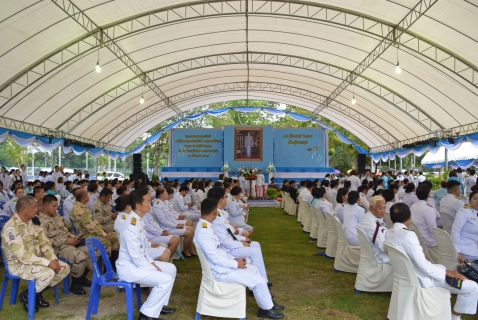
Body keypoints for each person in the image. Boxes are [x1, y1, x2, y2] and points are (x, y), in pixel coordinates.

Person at [194, 198, 284, 319]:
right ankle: (266, 309)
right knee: (259, 281)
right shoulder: (204, 231)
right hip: (218, 272)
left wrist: (234, 260)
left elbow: (218, 251)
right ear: (214, 212)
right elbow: (215, 258)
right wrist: (235, 264)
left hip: (221, 266)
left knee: (254, 270)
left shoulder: (205, 226)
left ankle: (269, 304)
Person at [385, 203, 478, 320]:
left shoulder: (389, 233)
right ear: (409, 216)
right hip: (422, 279)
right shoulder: (408, 235)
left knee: (440, 267)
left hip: (409, 276)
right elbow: (423, 266)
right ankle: (455, 316)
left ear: (391, 218)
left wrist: (442, 270)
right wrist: (446, 273)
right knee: (473, 287)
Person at [1, 196, 70, 313]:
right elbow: (22, 256)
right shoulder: (11, 228)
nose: (37, 209)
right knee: (48, 273)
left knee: (63, 268)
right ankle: (30, 298)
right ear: (23, 209)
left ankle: (29, 294)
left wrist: (52, 259)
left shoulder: (34, 221)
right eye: (33, 207)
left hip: (37, 261)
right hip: (18, 264)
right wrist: (47, 263)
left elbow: (44, 243)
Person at [116, 188, 177, 320]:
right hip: (129, 267)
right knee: (164, 278)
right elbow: (136, 257)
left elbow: (143, 250)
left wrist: (152, 263)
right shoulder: (131, 225)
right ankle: (146, 315)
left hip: (138, 263)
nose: (150, 204)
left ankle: (157, 306)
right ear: (138, 205)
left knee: (171, 269)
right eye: (148, 201)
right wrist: (153, 267)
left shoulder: (138, 219)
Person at [39, 195, 92, 295]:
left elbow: (65, 231)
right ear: (45, 206)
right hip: (55, 249)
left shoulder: (57, 217)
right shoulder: (40, 221)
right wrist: (66, 241)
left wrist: (74, 238)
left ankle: (81, 277)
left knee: (93, 251)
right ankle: (75, 284)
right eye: (53, 206)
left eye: (56, 206)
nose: (56, 209)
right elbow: (45, 242)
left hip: (68, 244)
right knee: (80, 256)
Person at [114, 195, 171, 262]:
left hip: (141, 245)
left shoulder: (129, 217)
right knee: (165, 256)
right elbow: (132, 241)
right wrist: (149, 244)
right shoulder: (123, 220)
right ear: (127, 207)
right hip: (135, 250)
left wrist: (149, 243)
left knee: (168, 251)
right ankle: (157, 269)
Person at [69, 189, 119, 266]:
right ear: (84, 197)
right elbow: (91, 226)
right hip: (85, 235)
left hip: (91, 232)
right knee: (106, 240)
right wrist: (104, 234)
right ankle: (103, 266)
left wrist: (102, 228)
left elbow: (94, 221)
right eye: (87, 195)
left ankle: (113, 264)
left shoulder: (82, 207)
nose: (88, 196)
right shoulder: (79, 210)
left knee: (116, 237)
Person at [152, 188, 197, 258]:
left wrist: (177, 224)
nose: (167, 194)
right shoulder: (157, 205)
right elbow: (163, 221)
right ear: (161, 195)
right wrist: (176, 226)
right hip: (166, 228)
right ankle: (185, 251)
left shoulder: (164, 202)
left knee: (191, 229)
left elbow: (170, 217)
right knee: (189, 233)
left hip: (171, 225)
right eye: (166, 192)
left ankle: (190, 249)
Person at [410, 185, 441, 259]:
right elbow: (433, 230)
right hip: (428, 241)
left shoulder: (413, 206)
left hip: (416, 238)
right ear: (428, 195)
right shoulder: (428, 209)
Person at [357, 196, 389, 263]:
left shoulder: (369, 217)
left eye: (384, 208)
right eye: (380, 208)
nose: (383, 211)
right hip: (378, 257)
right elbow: (383, 248)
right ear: (371, 208)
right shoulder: (372, 225)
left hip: (374, 252)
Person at [452, 190, 478, 263]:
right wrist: (457, 252)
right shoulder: (464, 211)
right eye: (475, 199)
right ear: (469, 200)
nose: (477, 201)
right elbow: (455, 230)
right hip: (467, 252)